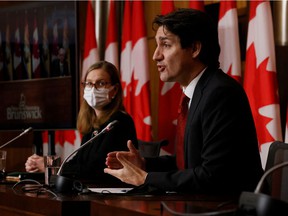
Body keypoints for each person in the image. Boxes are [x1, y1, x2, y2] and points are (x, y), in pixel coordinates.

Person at [104, 8, 264, 195]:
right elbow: (188, 161)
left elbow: (212, 175)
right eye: (156, 45)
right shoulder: (198, 91)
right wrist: (145, 165)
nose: (156, 55)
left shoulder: (219, 93)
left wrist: (145, 178)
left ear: (195, 49)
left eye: (166, 45)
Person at [25, 60, 138, 185]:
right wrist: (43, 164)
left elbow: (94, 169)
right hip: (92, 191)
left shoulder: (119, 122)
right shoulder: (93, 123)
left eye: (100, 83)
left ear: (115, 89)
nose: (93, 89)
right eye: (89, 83)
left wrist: (49, 165)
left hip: (112, 194)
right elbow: (78, 162)